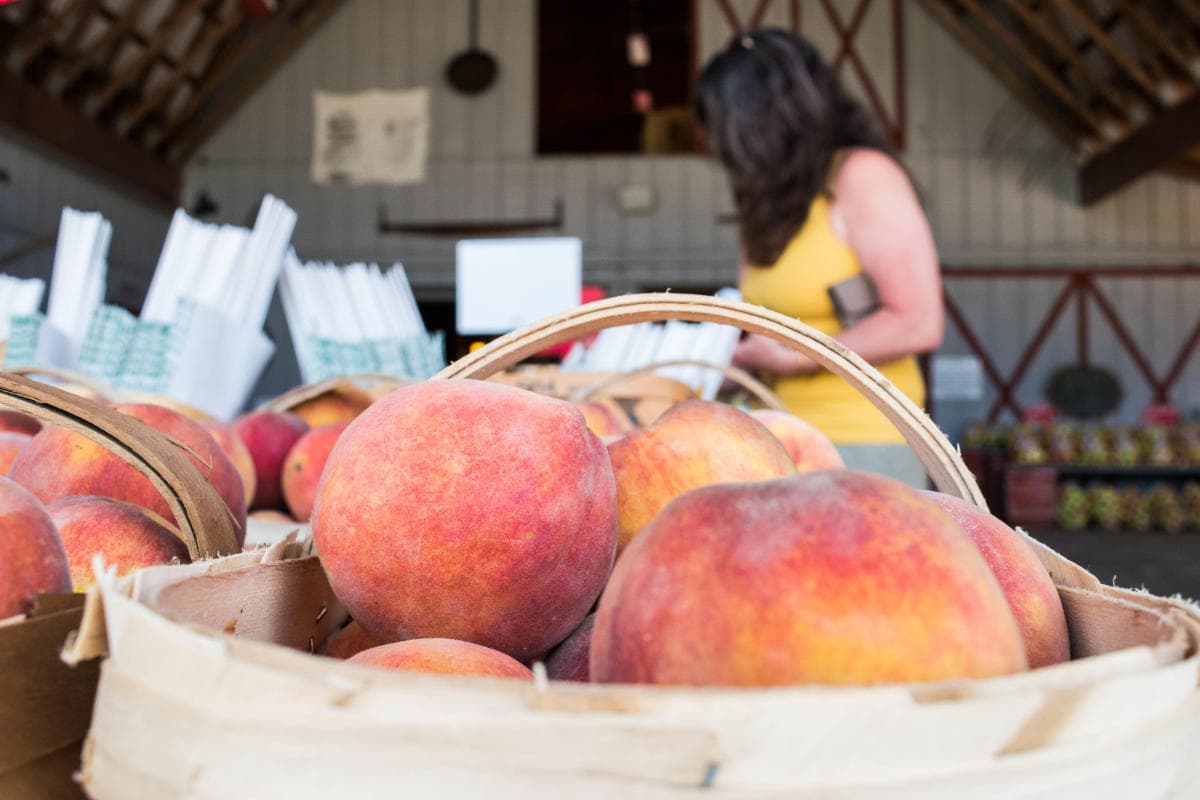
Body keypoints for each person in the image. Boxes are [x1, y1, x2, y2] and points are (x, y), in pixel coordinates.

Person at [695, 28, 943, 488]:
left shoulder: (862, 176)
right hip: (774, 437)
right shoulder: (771, 204)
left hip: (863, 440)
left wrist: (796, 355)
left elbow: (918, 321)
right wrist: (735, 363)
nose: (717, 147)